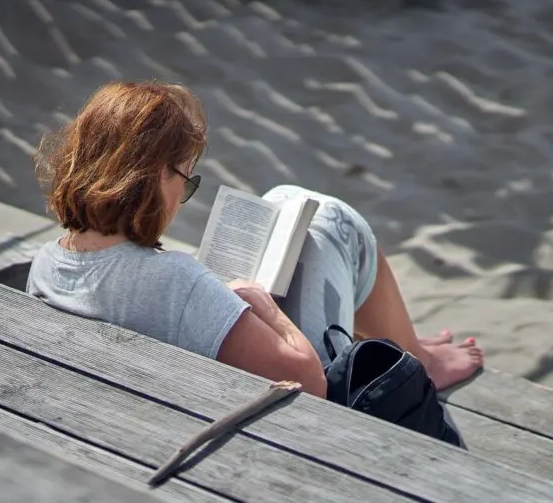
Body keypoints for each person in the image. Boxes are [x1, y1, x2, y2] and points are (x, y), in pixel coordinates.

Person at [27, 81, 484, 398]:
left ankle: (404, 347)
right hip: (279, 429)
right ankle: (415, 359)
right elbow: (311, 385)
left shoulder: (47, 264)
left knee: (285, 201)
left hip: (150, 410)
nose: (180, 198)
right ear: (152, 177)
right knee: (332, 223)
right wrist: (264, 308)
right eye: (184, 180)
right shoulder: (174, 282)